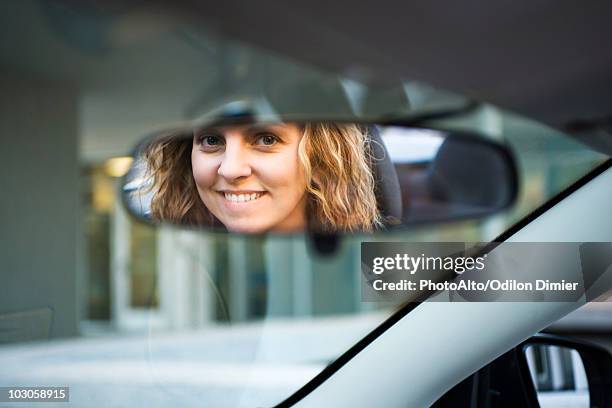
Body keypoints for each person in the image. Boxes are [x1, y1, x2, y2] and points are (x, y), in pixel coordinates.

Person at [143, 121, 382, 233]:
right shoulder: (188, 254)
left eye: (266, 139)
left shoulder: (384, 265)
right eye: (211, 141)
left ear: (320, 160)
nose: (230, 169)